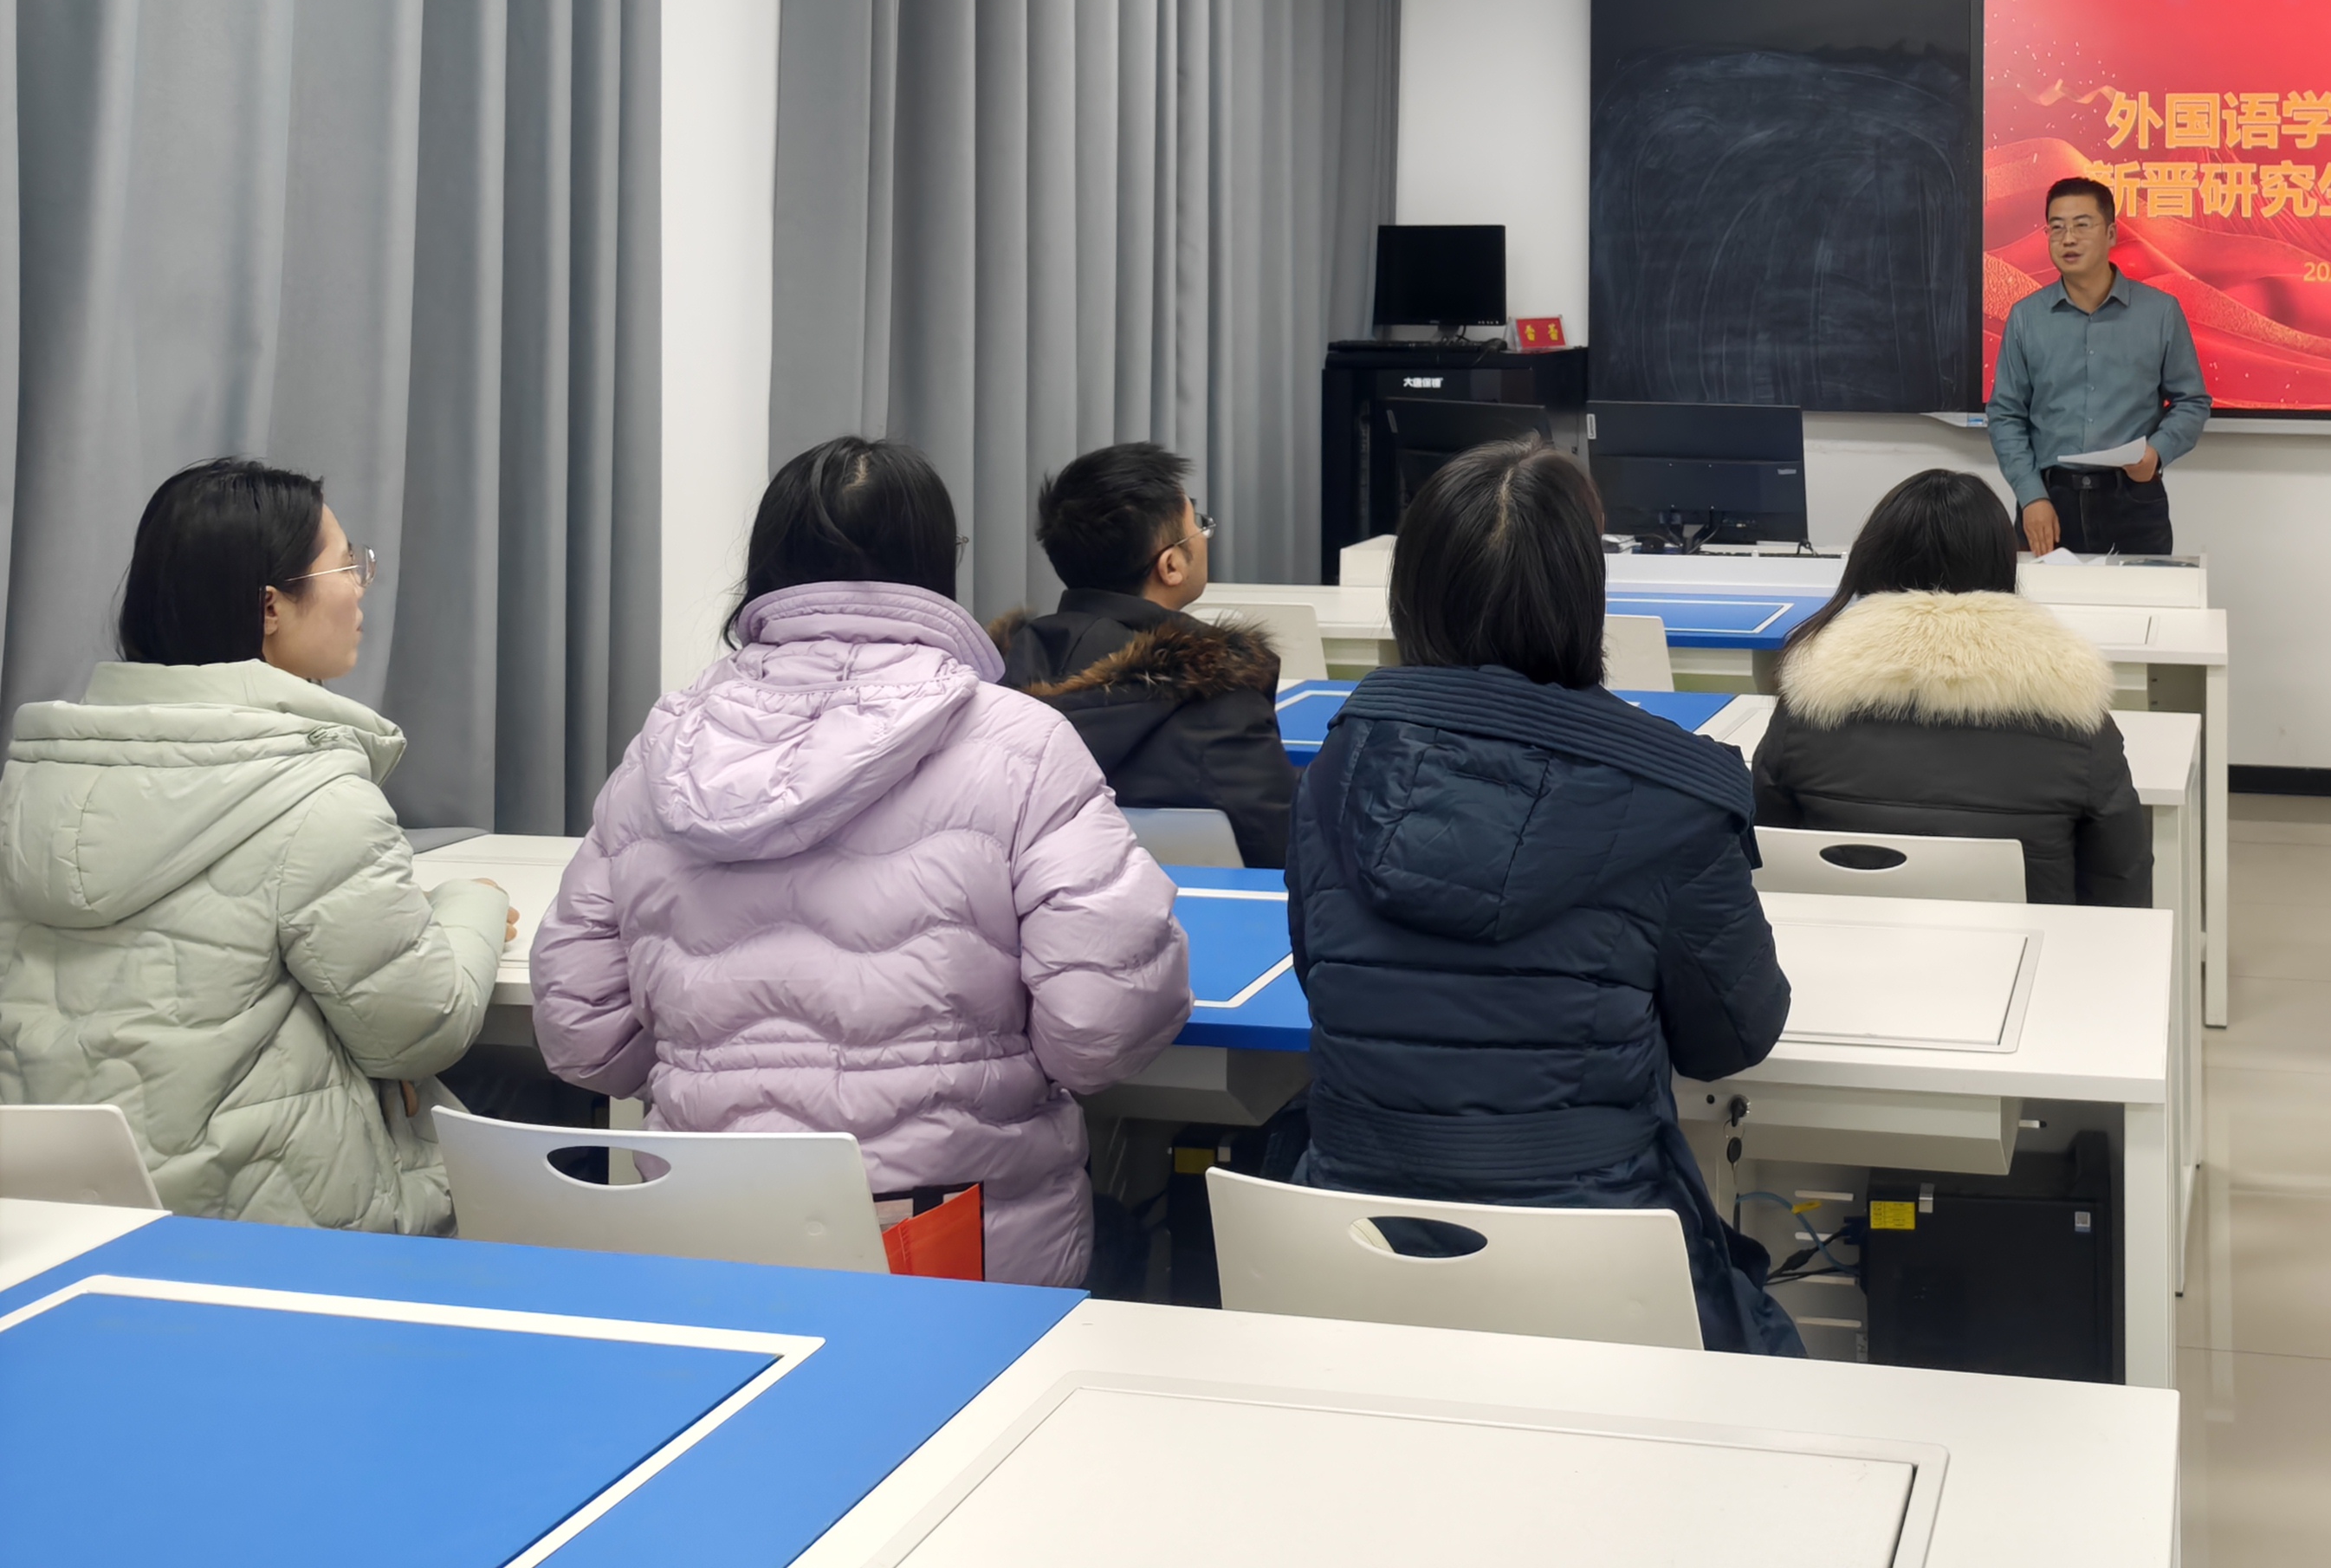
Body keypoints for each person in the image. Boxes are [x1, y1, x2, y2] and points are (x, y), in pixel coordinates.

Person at [531, 436, 1195, 1285]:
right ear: (938, 562)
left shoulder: (664, 748)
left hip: (706, 1235)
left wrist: (715, 1080)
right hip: (948, 1246)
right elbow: (1102, 1026)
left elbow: (581, 1031)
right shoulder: (1023, 743)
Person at [1286, 437, 1799, 1354]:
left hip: (1352, 1265)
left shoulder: (1334, 770)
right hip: (1599, 1274)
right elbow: (1734, 1039)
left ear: (1413, 593)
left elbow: (1321, 978)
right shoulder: (1676, 796)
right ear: (1583, 594)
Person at [0, 459, 511, 1229]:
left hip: (57, 1220)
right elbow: (420, 1030)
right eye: (346, 565)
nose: (361, 587)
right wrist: (469, 907)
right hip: (264, 1233)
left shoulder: (33, 780)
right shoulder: (313, 797)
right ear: (271, 606)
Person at [1753, 470, 2151, 906]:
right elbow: (2120, 881)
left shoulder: (1807, 699)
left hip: (1842, 939)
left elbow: (1762, 855)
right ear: (2001, 563)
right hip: (2027, 944)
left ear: (1871, 561)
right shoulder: (2072, 704)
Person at [993, 442, 1295, 865]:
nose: (1204, 536)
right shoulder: (1220, 700)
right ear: (1171, 566)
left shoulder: (997, 680)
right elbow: (1286, 847)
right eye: (1199, 526)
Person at [1985, 176, 2211, 557]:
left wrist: (2156, 453)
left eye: (2081, 225)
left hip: (2133, 498)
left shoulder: (2159, 312)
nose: (2068, 239)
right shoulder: (2026, 317)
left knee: (2141, 595)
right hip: (2048, 500)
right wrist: (2030, 495)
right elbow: (2006, 414)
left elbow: (2192, 401)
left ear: (2110, 233)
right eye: (2056, 228)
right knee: (2041, 598)